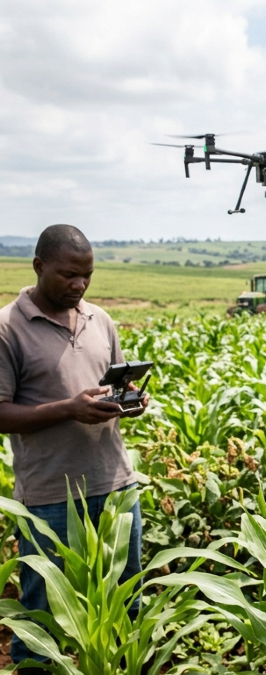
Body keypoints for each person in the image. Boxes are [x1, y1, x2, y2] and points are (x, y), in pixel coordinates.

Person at [0, 224, 149, 664]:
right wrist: (69, 408)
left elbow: (113, 384)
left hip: (116, 483)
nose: (79, 285)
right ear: (39, 266)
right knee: (43, 617)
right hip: (50, 494)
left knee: (127, 603)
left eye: (87, 275)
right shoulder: (8, 328)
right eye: (68, 275)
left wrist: (130, 402)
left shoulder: (99, 319)